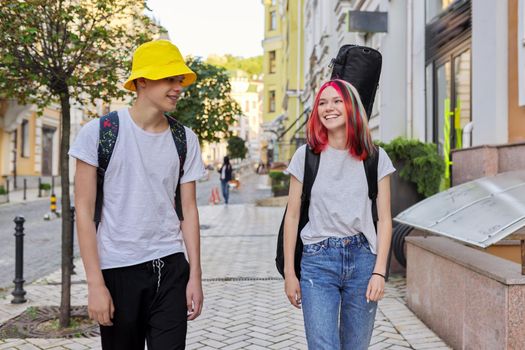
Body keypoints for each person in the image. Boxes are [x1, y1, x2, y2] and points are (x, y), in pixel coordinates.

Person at [69, 40, 206, 350]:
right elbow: (84, 209)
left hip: (171, 268)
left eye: (180, 80)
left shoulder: (185, 139)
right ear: (142, 81)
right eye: (169, 79)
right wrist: (95, 284)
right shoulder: (99, 133)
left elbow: (189, 210)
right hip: (118, 269)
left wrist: (195, 275)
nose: (178, 88)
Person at [283, 79, 395, 350]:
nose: (328, 108)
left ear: (351, 107)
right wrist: (289, 272)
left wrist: (379, 272)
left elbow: (385, 220)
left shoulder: (375, 157)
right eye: (322, 102)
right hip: (317, 262)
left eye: (336, 101)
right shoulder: (306, 156)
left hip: (363, 262)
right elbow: (292, 216)